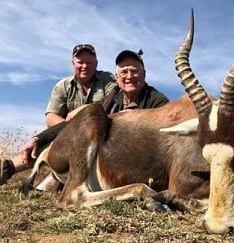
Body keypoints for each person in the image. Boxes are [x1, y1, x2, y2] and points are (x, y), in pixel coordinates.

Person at [0, 49, 169, 186]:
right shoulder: (112, 97)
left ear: (144, 74)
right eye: (124, 72)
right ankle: (7, 169)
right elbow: (75, 123)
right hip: (102, 155)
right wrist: (38, 138)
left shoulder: (158, 101)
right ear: (117, 79)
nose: (129, 76)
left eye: (134, 71)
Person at [0, 44, 116, 185]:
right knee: (50, 144)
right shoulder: (62, 86)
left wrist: (84, 109)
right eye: (80, 62)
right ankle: (7, 169)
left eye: (89, 62)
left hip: (102, 135)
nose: (84, 66)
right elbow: (50, 118)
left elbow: (111, 102)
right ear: (73, 63)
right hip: (71, 137)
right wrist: (71, 133)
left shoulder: (108, 80)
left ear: (96, 64)